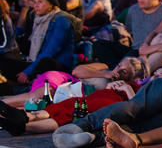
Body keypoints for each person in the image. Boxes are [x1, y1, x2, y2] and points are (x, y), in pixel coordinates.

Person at [0, 56, 149, 136]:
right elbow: (77, 71)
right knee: (62, 106)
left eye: (123, 72)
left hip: (106, 103)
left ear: (133, 78)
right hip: (92, 96)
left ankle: (23, 125)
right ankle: (24, 117)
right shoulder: (107, 73)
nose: (118, 71)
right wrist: (109, 82)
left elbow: (138, 107)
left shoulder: (138, 87)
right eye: (118, 66)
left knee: (69, 116)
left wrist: (127, 88)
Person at [13, 0, 76, 84]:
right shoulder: (36, 19)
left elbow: (50, 51)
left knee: (44, 62)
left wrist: (27, 72)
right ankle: (27, 80)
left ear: (51, 4)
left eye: (40, 2)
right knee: (6, 63)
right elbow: (25, 43)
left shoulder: (61, 20)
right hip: (37, 61)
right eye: (34, 2)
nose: (36, 5)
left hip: (57, 64)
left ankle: (32, 80)